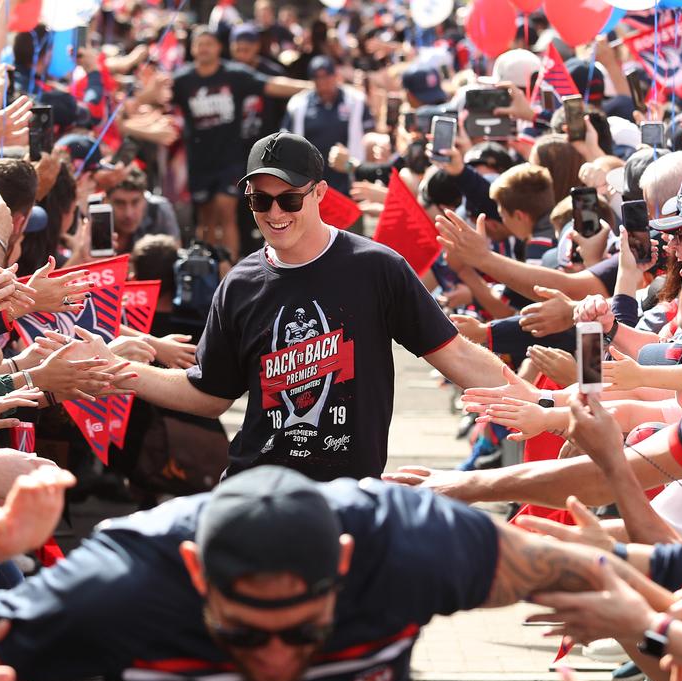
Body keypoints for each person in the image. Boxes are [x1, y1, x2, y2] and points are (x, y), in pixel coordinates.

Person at [0, 464, 658, 681]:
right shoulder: (124, 584)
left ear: (344, 566)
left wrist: (651, 626)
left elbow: (581, 569)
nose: (277, 656)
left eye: (306, 631)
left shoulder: (410, 545)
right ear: (196, 576)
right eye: (243, 632)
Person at [69, 132, 508, 481]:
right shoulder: (240, 284)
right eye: (260, 200)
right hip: (255, 487)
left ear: (318, 194)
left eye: (289, 199)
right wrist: (116, 369)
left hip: (346, 495)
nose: (274, 213)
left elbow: (455, 355)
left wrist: (545, 403)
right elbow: (208, 396)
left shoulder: (376, 269)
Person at [383, 256, 682, 546]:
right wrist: (544, 404)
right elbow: (619, 406)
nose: (670, 248)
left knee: (642, 436)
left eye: (679, 350)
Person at [159, 27, 314, 263]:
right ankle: (208, 271)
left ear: (220, 48)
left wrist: (313, 87)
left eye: (209, 44)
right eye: (199, 44)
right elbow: (157, 97)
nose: (204, 49)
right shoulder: (182, 80)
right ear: (192, 49)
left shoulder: (234, 74)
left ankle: (232, 269)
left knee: (227, 212)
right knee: (206, 220)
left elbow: (272, 85)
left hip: (229, 159)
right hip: (199, 160)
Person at [282, 55, 375, 197]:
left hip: (348, 177)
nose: (323, 82)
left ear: (336, 75)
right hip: (311, 181)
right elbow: (286, 140)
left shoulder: (356, 100)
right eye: (317, 78)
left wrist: (365, 172)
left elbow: (370, 134)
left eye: (327, 76)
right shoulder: (298, 104)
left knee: (349, 218)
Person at [109, 167, 182, 254]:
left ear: (145, 197)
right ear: (105, 200)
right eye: (119, 203)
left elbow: (175, 254)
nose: (128, 214)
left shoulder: (160, 210)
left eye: (135, 202)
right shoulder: (93, 214)